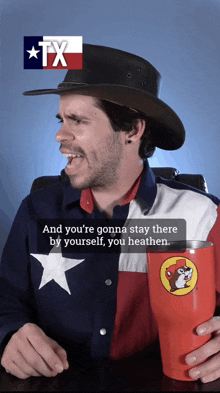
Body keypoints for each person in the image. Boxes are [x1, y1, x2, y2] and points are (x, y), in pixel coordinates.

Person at [1, 43, 220, 383]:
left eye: (78, 120)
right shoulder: (35, 210)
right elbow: (6, 300)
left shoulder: (203, 215)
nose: (60, 134)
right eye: (61, 119)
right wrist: (9, 334)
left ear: (132, 129)